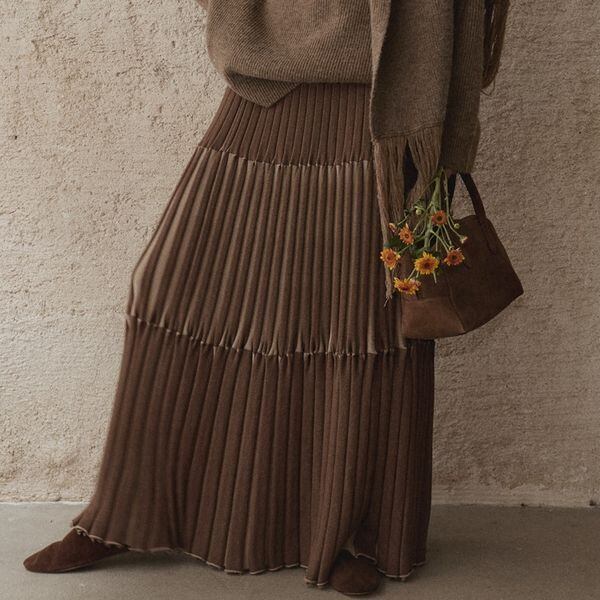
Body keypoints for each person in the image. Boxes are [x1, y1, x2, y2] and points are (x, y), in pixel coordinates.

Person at [23, 1, 509, 596]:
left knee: (353, 324)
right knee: (166, 290)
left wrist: (443, 155)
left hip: (384, 108)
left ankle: (342, 534)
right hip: (267, 89)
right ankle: (124, 515)